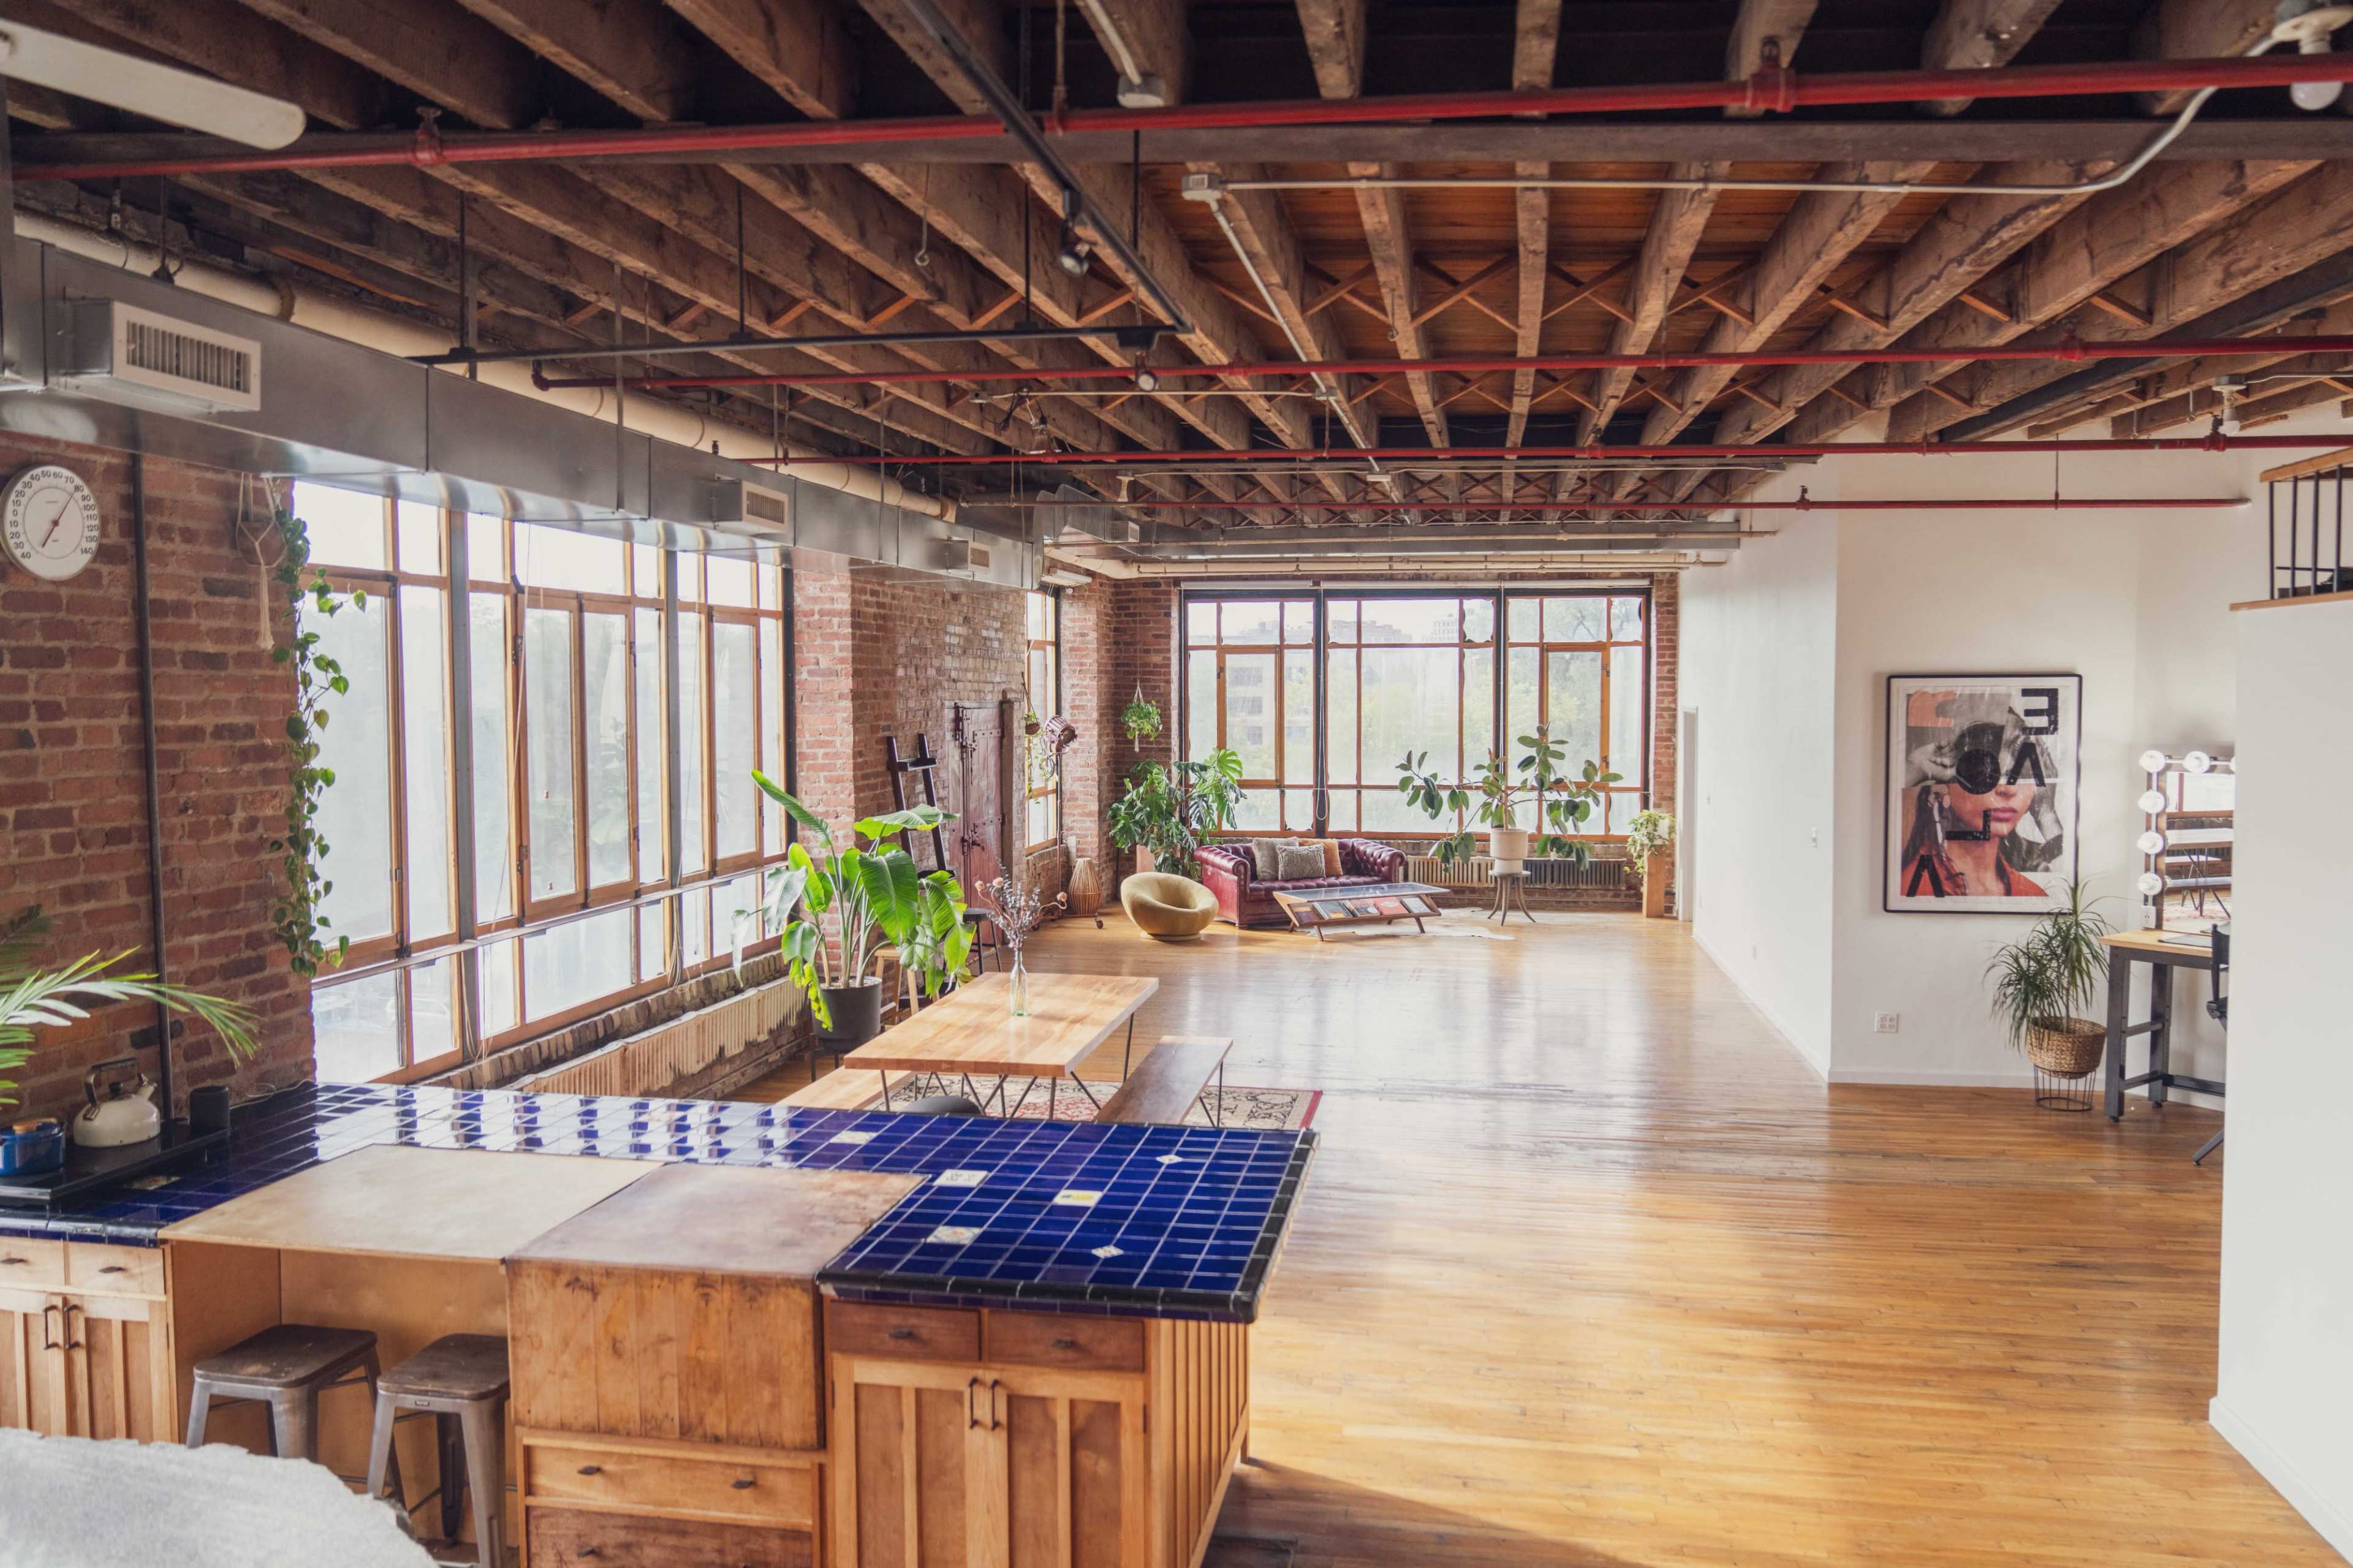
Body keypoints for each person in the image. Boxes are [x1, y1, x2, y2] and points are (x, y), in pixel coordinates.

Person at [1898, 700, 2065, 900]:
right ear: (1949, 784)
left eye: (2020, 775)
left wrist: (2047, 815)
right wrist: (1914, 768)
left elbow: (2065, 904)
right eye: (1985, 774)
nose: (2008, 790)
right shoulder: (1916, 885)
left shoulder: (2033, 873)